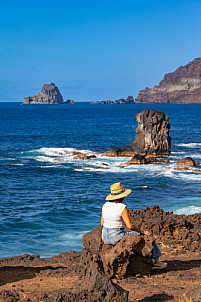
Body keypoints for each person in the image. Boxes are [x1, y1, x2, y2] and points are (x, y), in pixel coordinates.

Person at [101, 182, 167, 269]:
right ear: (122, 196)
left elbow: (102, 223)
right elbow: (130, 226)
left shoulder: (105, 205)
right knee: (147, 237)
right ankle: (156, 262)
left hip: (105, 236)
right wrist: (142, 232)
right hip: (116, 236)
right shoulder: (121, 207)